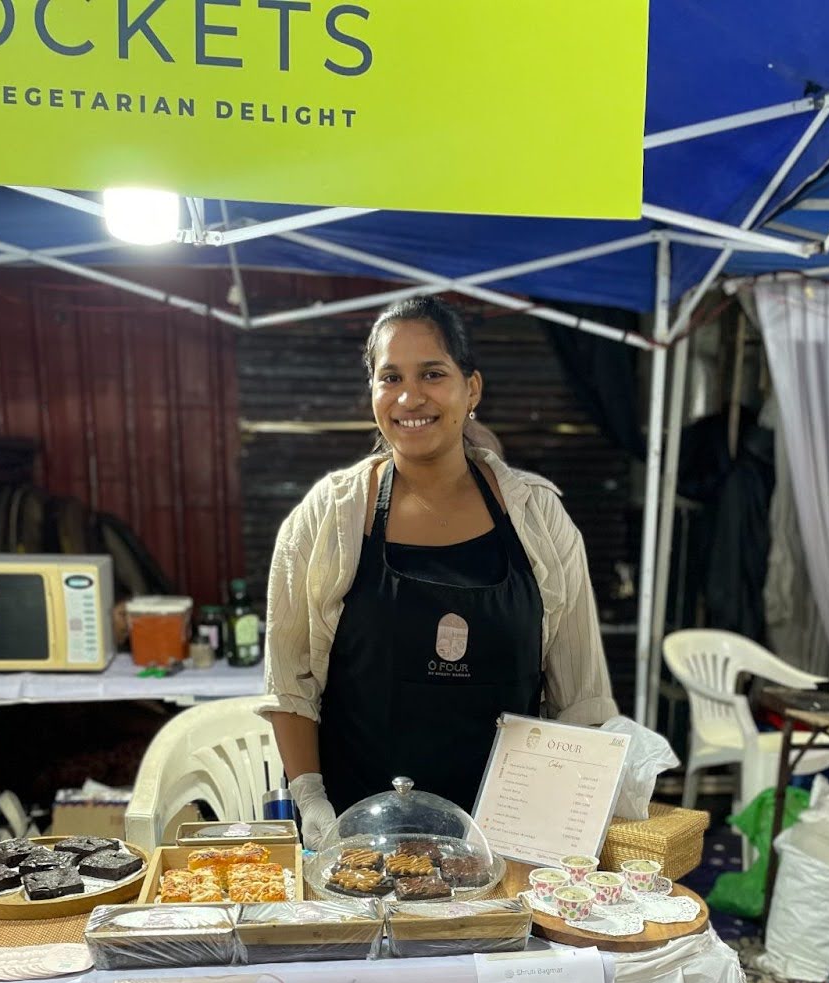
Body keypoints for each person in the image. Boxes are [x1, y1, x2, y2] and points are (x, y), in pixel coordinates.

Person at [264, 296, 617, 844]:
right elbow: (289, 682)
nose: (410, 396)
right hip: (355, 839)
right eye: (390, 377)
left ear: (470, 388)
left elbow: (580, 696)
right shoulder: (328, 516)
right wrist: (311, 801)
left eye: (432, 373)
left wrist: (564, 825)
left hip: (503, 840)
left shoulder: (538, 517)